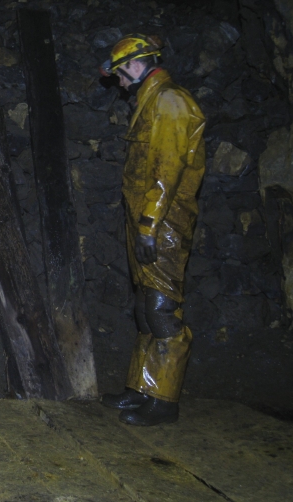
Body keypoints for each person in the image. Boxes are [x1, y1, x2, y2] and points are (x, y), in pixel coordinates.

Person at [99, 35, 205, 426]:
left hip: (164, 223)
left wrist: (149, 225)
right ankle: (141, 388)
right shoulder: (151, 101)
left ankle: (163, 401)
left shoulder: (170, 101)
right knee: (144, 307)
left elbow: (166, 171)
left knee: (161, 309)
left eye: (120, 73)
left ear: (135, 64)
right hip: (148, 221)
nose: (119, 82)